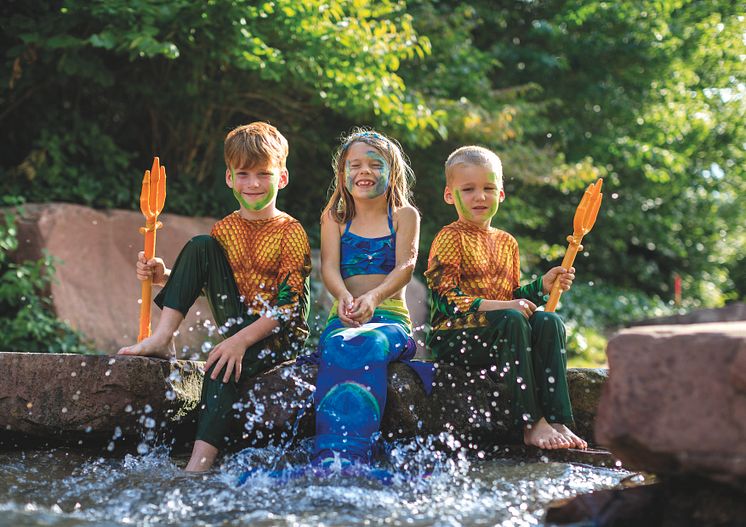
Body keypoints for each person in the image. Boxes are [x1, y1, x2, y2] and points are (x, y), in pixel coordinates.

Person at [117, 122, 312, 471]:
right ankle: (163, 338)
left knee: (220, 366)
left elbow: (289, 306)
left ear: (282, 178)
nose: (253, 183)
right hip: (240, 321)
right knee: (199, 246)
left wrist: (238, 342)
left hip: (280, 335)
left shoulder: (291, 232)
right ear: (229, 178)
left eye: (263, 174)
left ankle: (198, 466)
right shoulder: (224, 229)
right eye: (244, 174)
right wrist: (165, 278)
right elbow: (213, 287)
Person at [424, 145, 587, 450]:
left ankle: (557, 419)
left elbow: (511, 297)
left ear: (501, 193)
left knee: (549, 320)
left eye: (488, 188)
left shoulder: (507, 242)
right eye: (468, 189)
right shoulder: (449, 237)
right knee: (512, 317)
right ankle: (529, 422)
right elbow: (446, 300)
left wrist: (542, 287)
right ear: (450, 195)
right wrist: (506, 307)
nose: (480, 196)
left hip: (500, 329)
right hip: (454, 336)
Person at [308, 129, 427, 467]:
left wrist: (374, 298)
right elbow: (329, 268)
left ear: (392, 172)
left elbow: (406, 266)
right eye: (355, 165)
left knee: (370, 343)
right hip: (342, 315)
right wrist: (345, 297)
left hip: (390, 321)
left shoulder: (405, 216)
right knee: (336, 345)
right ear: (342, 174)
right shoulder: (335, 218)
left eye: (375, 165)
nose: (365, 172)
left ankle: (357, 454)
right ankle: (329, 455)